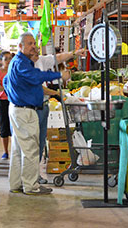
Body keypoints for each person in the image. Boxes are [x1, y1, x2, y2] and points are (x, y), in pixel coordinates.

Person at [3, 32, 70, 195]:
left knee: (19, 150)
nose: (33, 46)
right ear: (20, 46)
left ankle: (16, 184)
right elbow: (36, 77)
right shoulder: (21, 63)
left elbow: (5, 82)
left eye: (34, 43)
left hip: (18, 109)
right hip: (25, 111)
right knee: (31, 150)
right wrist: (59, 75)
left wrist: (16, 94)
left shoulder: (19, 62)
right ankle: (31, 186)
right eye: (29, 44)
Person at [32, 48, 87, 184]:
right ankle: (30, 178)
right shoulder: (25, 66)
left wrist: (75, 53)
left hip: (43, 106)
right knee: (32, 145)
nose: (34, 49)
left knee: (39, 144)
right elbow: (38, 87)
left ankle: (33, 176)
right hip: (33, 109)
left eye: (35, 46)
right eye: (31, 46)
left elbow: (58, 57)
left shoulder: (40, 60)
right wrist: (56, 93)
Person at [0, 51, 13, 160]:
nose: (8, 61)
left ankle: (15, 150)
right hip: (2, 100)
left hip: (14, 100)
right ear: (0, 60)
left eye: (10, 58)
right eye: (6, 58)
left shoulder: (15, 70)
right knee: (4, 126)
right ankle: (5, 151)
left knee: (15, 126)